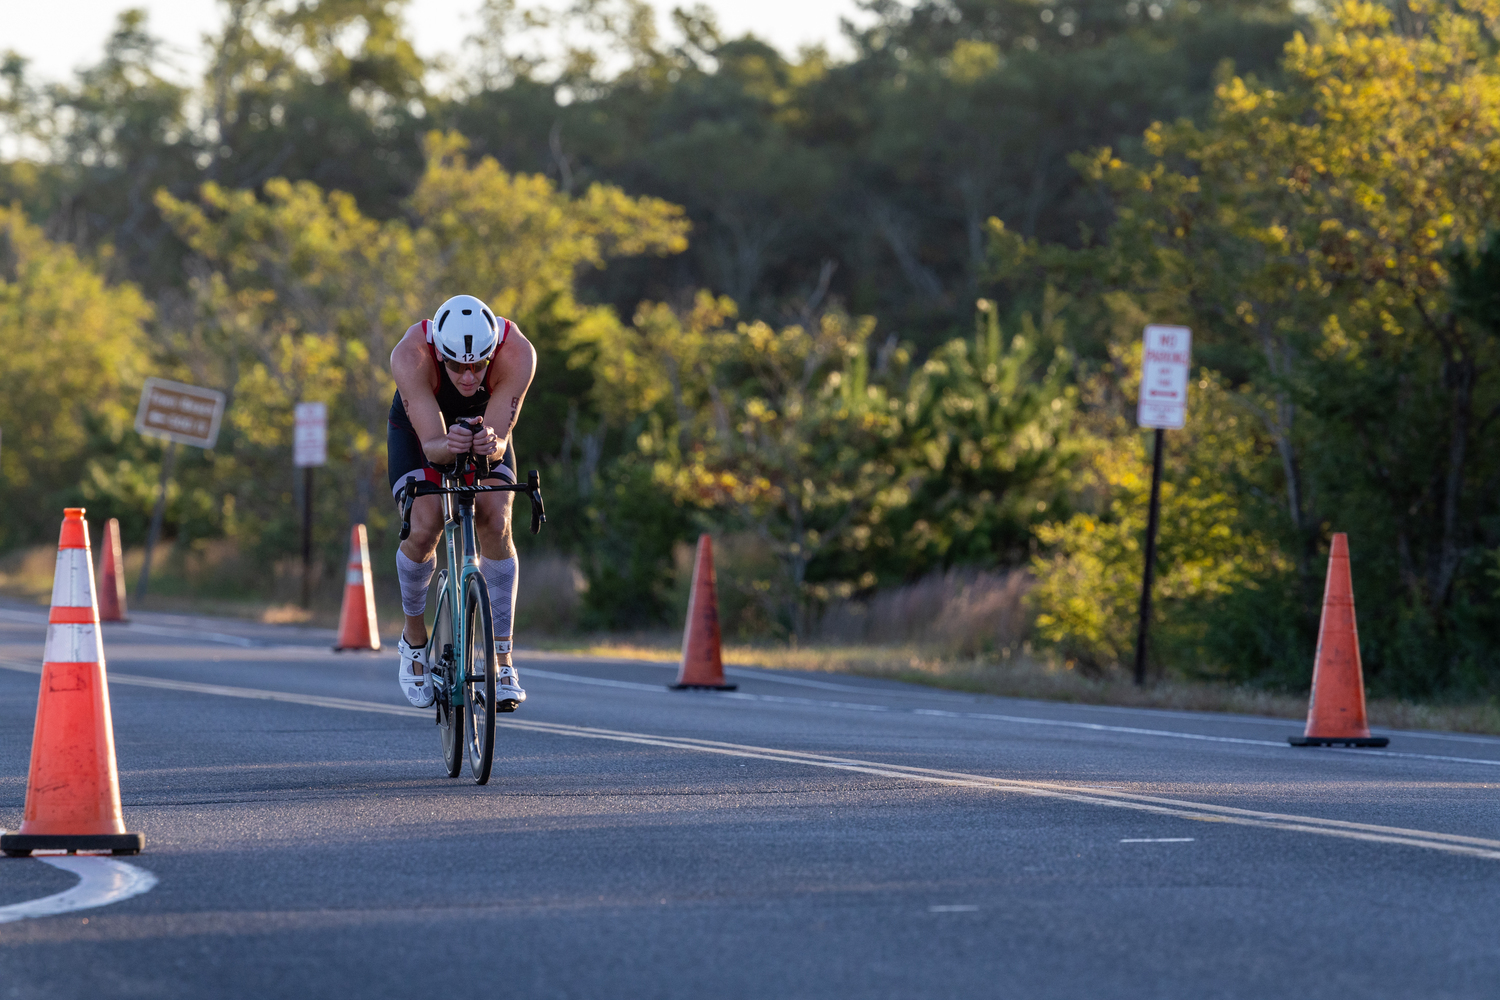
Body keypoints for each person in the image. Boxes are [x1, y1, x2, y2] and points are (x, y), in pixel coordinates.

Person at [387, 293, 536, 709]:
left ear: (493, 353)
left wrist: (491, 443)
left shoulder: (518, 352)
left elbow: (500, 440)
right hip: (422, 432)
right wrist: (444, 444)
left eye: (479, 365)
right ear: (438, 352)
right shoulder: (411, 355)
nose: (468, 377)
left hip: (484, 426)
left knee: (497, 520)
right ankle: (414, 642)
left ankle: (503, 661)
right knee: (425, 524)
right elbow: (434, 446)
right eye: (455, 365)